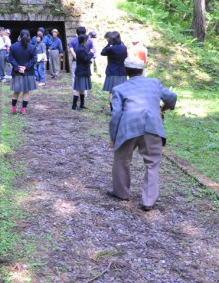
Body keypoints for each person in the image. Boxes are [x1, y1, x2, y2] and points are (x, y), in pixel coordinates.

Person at [107, 54, 177, 212]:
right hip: (152, 126)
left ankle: (121, 192)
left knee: (121, 159)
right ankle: (148, 201)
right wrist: (165, 107)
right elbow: (172, 97)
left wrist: (113, 137)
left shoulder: (119, 89)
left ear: (126, 71)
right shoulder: (154, 83)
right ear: (142, 70)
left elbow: (116, 115)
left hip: (128, 128)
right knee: (152, 163)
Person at [7, 29, 37, 115]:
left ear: (19, 37)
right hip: (28, 72)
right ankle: (23, 109)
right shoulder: (32, 47)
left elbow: (10, 58)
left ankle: (13, 108)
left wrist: (17, 67)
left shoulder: (13, 46)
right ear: (29, 37)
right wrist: (26, 66)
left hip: (17, 72)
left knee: (16, 91)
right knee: (26, 91)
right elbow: (34, 59)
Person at [101, 31, 128, 112]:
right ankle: (121, 109)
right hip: (122, 72)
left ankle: (113, 110)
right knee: (121, 92)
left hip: (112, 72)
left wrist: (108, 44)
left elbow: (102, 52)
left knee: (112, 92)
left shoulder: (110, 49)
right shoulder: (124, 48)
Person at [69, 26, 94, 96]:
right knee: (85, 78)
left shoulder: (73, 41)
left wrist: (77, 58)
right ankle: (84, 94)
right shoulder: (89, 41)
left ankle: (75, 94)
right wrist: (86, 57)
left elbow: (71, 50)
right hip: (86, 62)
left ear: (76, 32)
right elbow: (92, 50)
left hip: (75, 61)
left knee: (75, 77)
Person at [72, 34, 95, 110]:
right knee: (79, 88)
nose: (87, 41)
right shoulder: (81, 49)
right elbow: (86, 58)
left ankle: (82, 105)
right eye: (87, 40)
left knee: (82, 88)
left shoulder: (81, 47)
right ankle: (74, 106)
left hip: (82, 71)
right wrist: (92, 53)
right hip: (81, 71)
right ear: (84, 40)